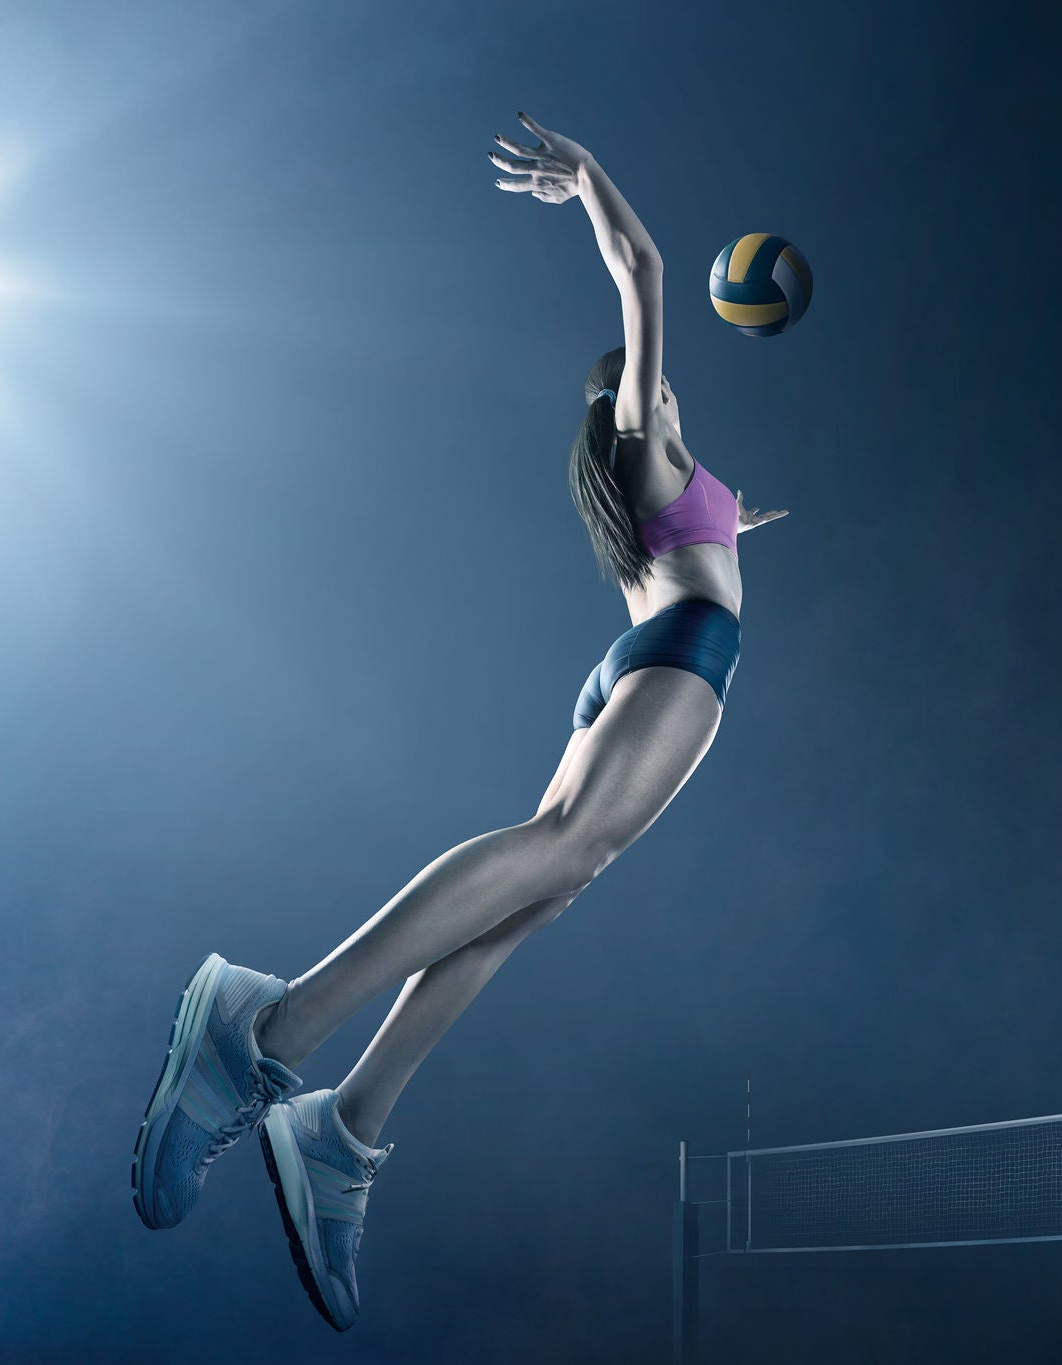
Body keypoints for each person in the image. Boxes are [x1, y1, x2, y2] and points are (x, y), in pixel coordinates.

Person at [128, 113, 786, 1332]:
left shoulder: (676, 479)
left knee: (540, 885)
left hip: (644, 661)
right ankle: (268, 1024)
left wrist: (740, 516)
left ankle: (344, 1126)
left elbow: (717, 528)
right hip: (683, 658)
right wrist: (592, 180)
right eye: (642, 378)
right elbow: (642, 274)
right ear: (627, 402)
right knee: (562, 853)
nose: (656, 377)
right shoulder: (641, 438)